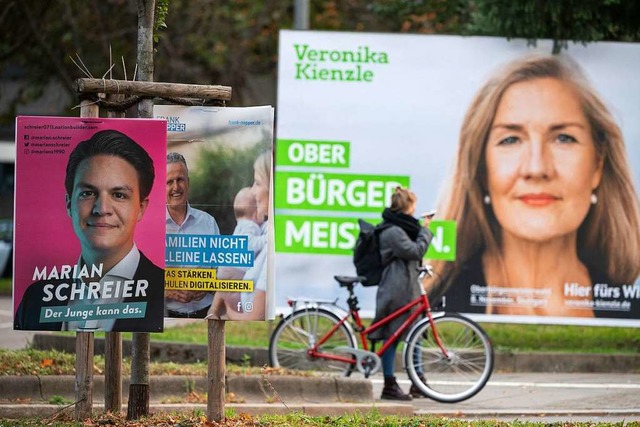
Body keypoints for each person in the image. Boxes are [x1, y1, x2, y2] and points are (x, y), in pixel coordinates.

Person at [429, 53, 640, 319]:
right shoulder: (440, 306)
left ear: (597, 166)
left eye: (563, 138)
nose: (536, 168)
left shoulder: (628, 313)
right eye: (510, 140)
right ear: (482, 169)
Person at [15, 129, 164, 332]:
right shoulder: (35, 299)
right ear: (69, 204)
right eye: (88, 193)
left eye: (119, 195)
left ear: (141, 208)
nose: (101, 209)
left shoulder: (166, 292)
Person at [368, 186, 433, 401]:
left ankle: (418, 380)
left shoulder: (401, 227)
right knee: (392, 336)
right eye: (413, 204)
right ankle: (389, 383)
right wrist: (425, 231)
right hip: (396, 289)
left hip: (407, 287)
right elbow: (414, 251)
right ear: (409, 206)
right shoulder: (393, 230)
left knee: (415, 333)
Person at [207, 151, 271, 321]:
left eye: (257, 183)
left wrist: (228, 312)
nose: (254, 190)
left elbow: (254, 317)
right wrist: (216, 309)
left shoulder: (269, 237)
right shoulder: (258, 229)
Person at [165, 152, 221, 318]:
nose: (176, 187)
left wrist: (207, 284)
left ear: (188, 182)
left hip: (206, 315)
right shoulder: (151, 227)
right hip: (165, 317)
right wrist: (166, 291)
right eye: (169, 182)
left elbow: (222, 272)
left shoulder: (208, 223)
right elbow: (140, 277)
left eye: (180, 179)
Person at [232, 186, 266, 267]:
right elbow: (249, 243)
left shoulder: (241, 226)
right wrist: (265, 239)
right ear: (256, 215)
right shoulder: (249, 226)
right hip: (235, 270)